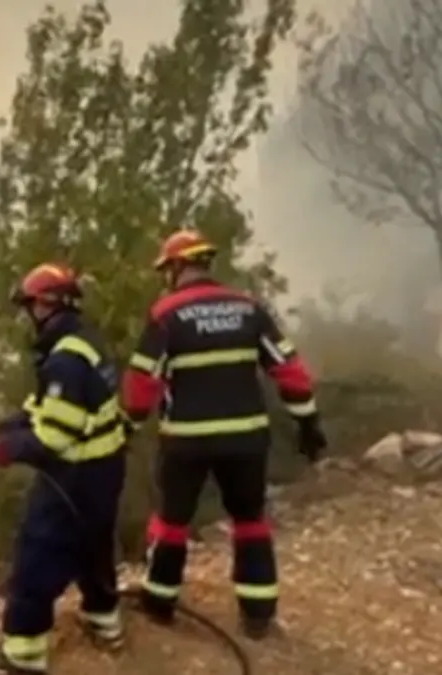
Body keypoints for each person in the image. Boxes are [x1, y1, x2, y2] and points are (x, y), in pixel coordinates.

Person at [120, 229, 327, 639]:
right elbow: (289, 370)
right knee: (250, 521)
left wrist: (126, 428)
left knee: (172, 521)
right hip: (245, 440)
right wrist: (308, 423)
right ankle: (258, 615)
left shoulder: (166, 314)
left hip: (187, 442)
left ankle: (160, 603)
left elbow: (142, 382)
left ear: (176, 267)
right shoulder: (248, 308)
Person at [0, 262, 130, 675]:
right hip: (103, 471)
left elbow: (54, 438)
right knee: (93, 548)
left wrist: (2, 450)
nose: (28, 316)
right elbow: (45, 410)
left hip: (74, 478)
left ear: (47, 305)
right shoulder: (83, 341)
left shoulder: (64, 361)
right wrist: (1, 430)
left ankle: (23, 655)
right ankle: (105, 622)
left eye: (30, 307)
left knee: (37, 556)